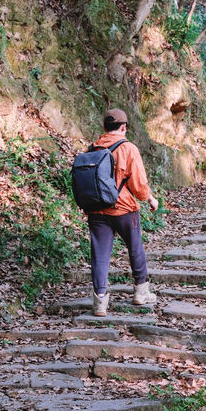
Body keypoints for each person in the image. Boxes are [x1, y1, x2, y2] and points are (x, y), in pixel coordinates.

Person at [86, 107, 159, 317]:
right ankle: (140, 292)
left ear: (104, 127)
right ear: (124, 127)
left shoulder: (92, 148)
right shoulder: (128, 148)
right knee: (135, 248)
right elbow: (138, 183)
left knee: (99, 255)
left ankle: (100, 302)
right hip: (124, 208)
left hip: (97, 209)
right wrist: (150, 199)